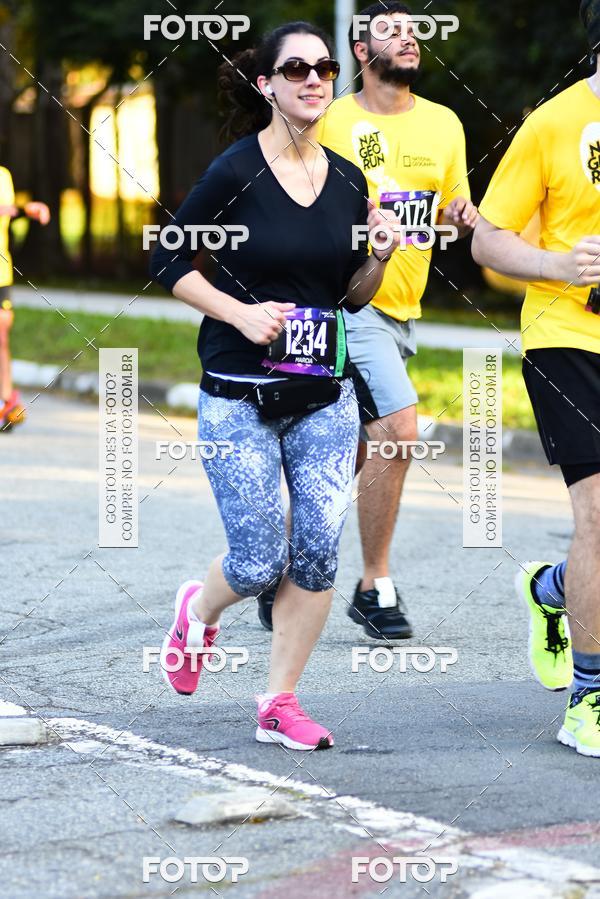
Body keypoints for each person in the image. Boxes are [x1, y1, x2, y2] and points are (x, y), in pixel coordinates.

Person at [150, 22, 401, 750]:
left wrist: (378, 256)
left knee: (319, 553)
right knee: (258, 560)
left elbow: (351, 296)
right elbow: (168, 260)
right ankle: (198, 609)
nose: (314, 78)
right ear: (267, 84)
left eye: (324, 67)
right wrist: (240, 312)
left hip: (323, 392)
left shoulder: (350, 179)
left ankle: (278, 701)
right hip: (239, 392)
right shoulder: (234, 171)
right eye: (296, 69)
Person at [256, 2, 478, 638]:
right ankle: (373, 585)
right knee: (400, 431)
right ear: (360, 49)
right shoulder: (331, 117)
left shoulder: (445, 124)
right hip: (345, 303)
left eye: (413, 30)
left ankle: (283, 567)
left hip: (403, 307)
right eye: (390, 29)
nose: (407, 38)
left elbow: (451, 208)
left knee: (347, 454)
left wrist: (460, 218)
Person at [472, 0, 600, 757]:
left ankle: (551, 589)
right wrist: (557, 265)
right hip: (565, 339)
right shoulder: (553, 123)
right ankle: (590, 696)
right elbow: (489, 236)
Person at [0, 167, 50, 431]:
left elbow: (7, 211)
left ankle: (5, 400)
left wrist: (25, 210)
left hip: (1, 272)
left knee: (2, 334)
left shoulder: (3, 175)